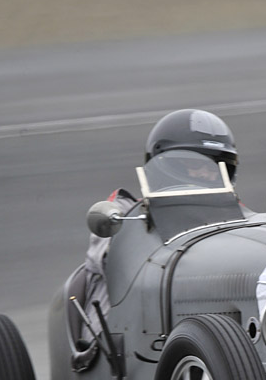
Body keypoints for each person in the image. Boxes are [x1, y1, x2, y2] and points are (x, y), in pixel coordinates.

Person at [80, 109, 238, 342]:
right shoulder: (124, 211)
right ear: (166, 165)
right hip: (122, 336)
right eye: (195, 164)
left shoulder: (233, 216)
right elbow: (110, 259)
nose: (206, 173)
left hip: (212, 328)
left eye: (216, 166)